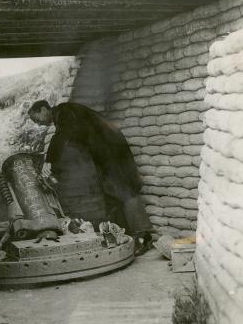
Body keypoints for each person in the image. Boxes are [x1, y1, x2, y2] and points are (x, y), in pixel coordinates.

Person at [28, 100, 153, 255]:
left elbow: (62, 135)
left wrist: (49, 160)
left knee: (125, 191)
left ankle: (144, 236)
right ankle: (128, 236)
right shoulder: (64, 116)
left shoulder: (65, 110)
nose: (39, 124)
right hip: (103, 155)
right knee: (112, 194)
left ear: (43, 109)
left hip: (111, 151)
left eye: (36, 119)